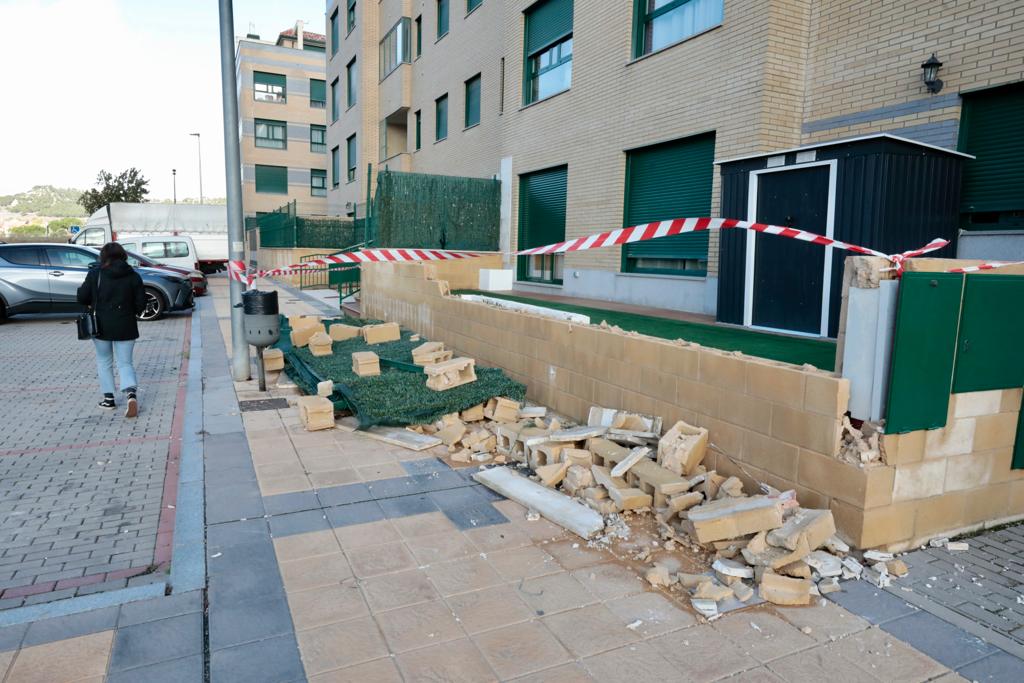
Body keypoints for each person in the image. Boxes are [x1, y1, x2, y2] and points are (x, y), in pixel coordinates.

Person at [77, 242, 146, 417]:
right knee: (125, 363)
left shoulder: (95, 274)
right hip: (126, 324)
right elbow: (141, 304)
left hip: (101, 325)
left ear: (103, 256)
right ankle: (131, 394)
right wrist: (130, 312)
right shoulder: (133, 276)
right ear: (123, 255)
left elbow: (82, 297)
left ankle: (109, 399)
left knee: (104, 361)